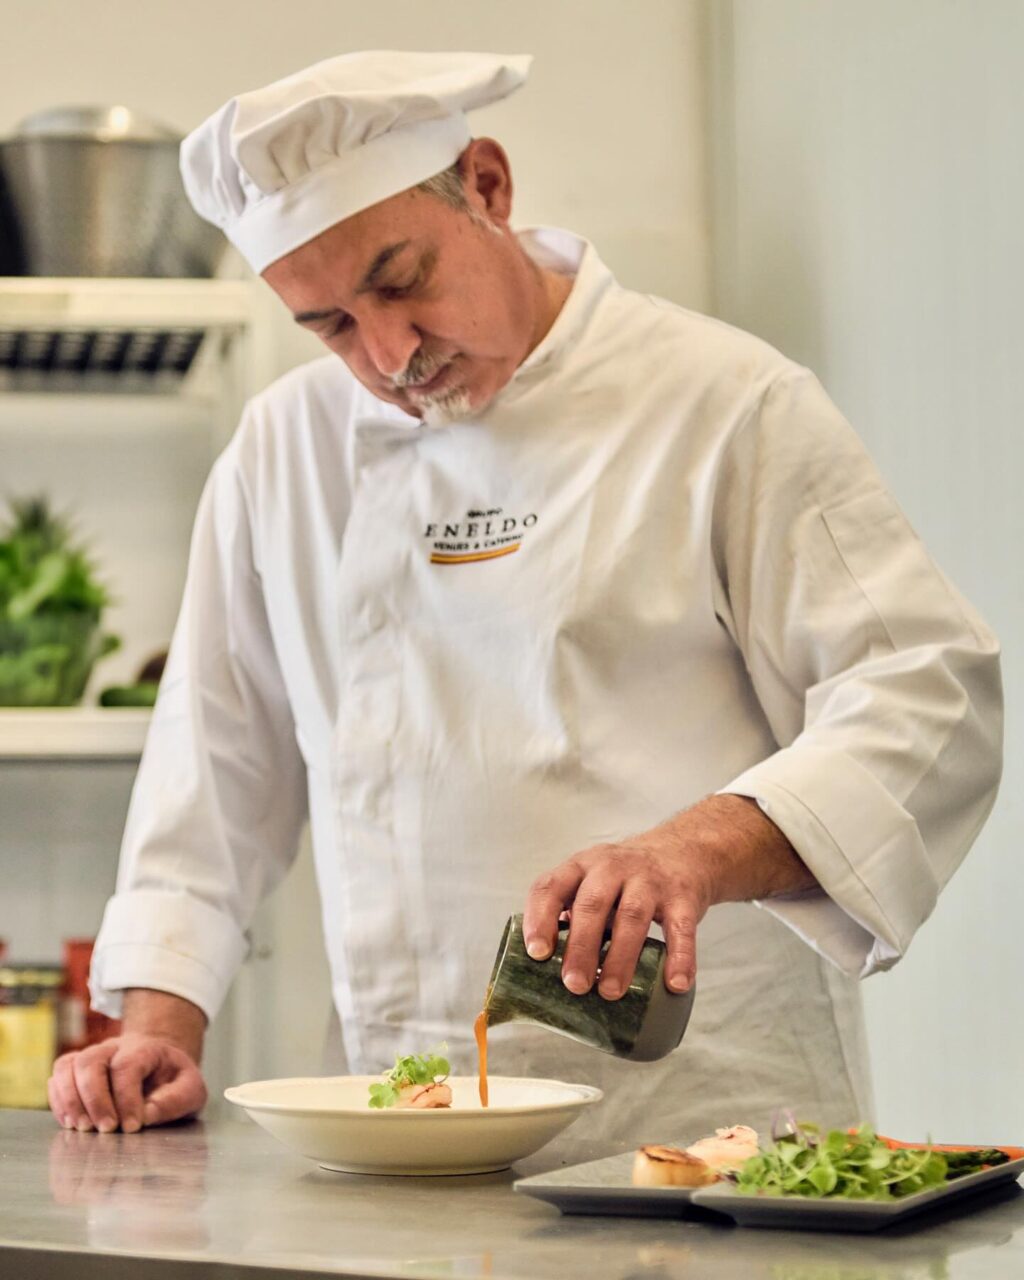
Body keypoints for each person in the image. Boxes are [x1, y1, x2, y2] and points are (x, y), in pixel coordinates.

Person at [47, 52, 1001, 1142]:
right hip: (407, 1124)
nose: (391, 355)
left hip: (709, 1130)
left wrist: (696, 845)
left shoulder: (725, 404)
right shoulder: (282, 452)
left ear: (489, 187)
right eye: (332, 327)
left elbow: (928, 692)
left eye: (401, 280)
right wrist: (157, 1024)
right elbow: (211, 767)